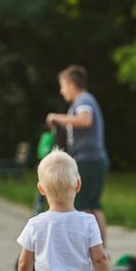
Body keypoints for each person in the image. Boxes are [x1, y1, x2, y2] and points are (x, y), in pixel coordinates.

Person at [44, 65, 109, 247]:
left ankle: (98, 251)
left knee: (90, 206)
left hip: (89, 160)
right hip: (88, 159)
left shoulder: (83, 99)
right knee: (89, 206)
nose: (61, 90)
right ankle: (96, 250)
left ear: (72, 84)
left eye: (63, 85)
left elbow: (85, 120)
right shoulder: (79, 102)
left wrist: (58, 117)